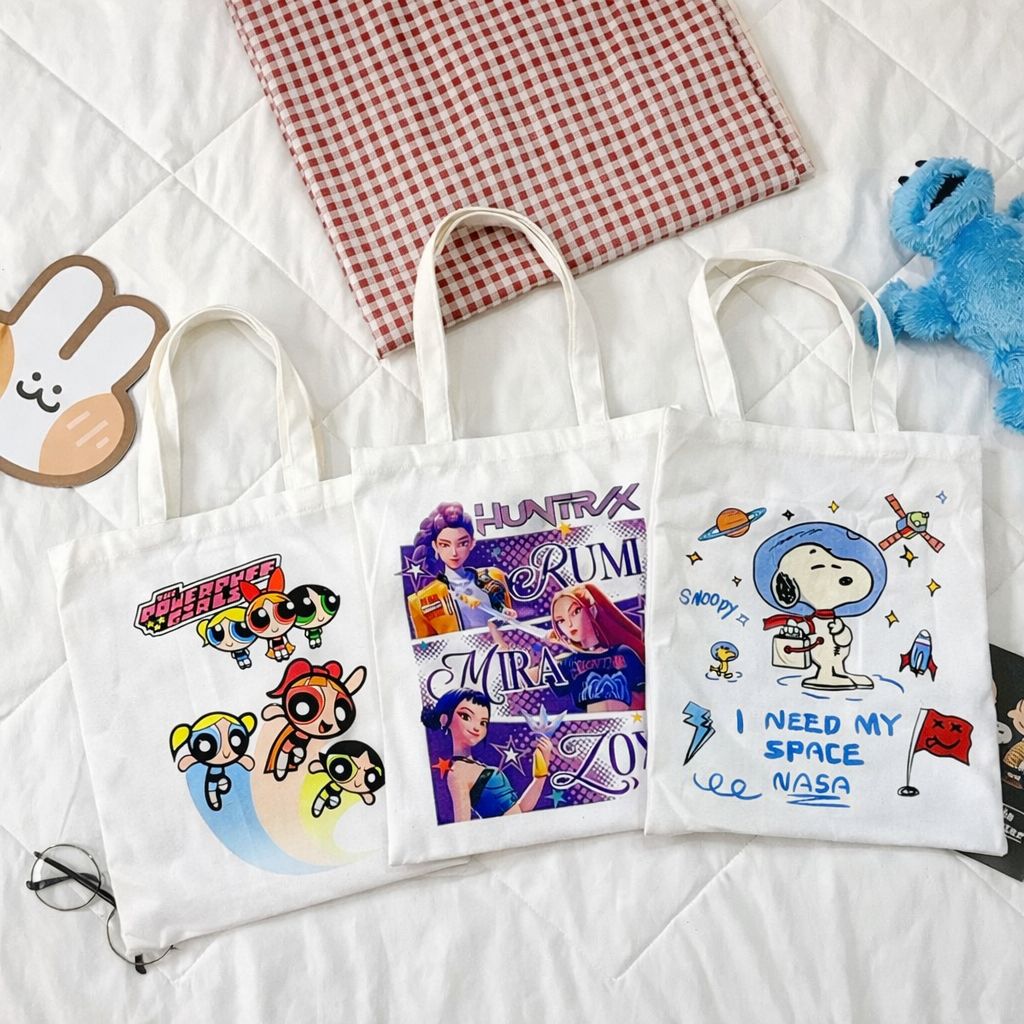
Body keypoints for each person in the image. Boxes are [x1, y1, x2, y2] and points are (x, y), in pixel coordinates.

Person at [421, 688, 552, 821]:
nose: (476, 727)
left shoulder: (476, 766)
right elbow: (463, 825)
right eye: (466, 717)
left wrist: (541, 770)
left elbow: (520, 809)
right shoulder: (457, 773)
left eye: (483, 722)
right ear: (444, 719)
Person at [406, 502, 515, 636]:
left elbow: (510, 625)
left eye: (462, 543)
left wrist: (506, 614)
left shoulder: (494, 576)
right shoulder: (419, 600)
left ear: (472, 543)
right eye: (445, 545)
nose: (454, 553)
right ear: (435, 546)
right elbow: (426, 645)